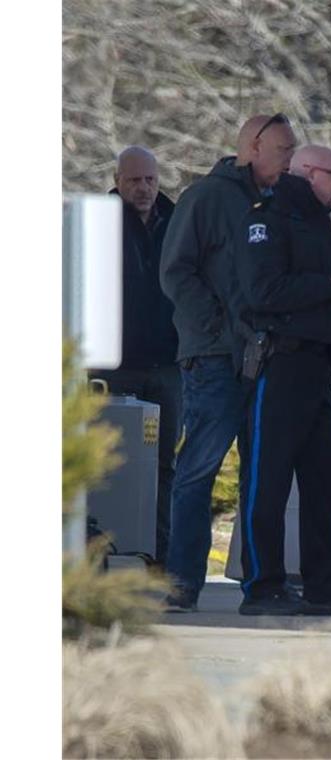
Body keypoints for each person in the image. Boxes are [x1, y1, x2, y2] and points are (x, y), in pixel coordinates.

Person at [231, 144, 331, 616]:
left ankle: (324, 584)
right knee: (267, 482)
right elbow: (262, 291)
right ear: (310, 173)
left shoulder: (325, 229)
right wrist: (328, 288)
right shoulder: (266, 221)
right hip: (279, 364)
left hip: (317, 366)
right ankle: (263, 586)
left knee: (322, 482)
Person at [159, 113, 297, 610]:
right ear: (254, 146)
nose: (290, 159)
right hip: (214, 359)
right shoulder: (206, 199)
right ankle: (181, 585)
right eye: (284, 149)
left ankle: (261, 586)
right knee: (198, 471)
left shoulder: (276, 204)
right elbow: (175, 272)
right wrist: (217, 331)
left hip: (265, 360)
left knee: (261, 478)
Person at [89, 146, 179, 565]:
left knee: (164, 467)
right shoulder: (97, 223)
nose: (143, 189)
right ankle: (105, 554)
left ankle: (158, 555)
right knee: (110, 466)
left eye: (150, 180)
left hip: (167, 365)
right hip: (114, 368)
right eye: (134, 181)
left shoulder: (177, 223)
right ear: (117, 180)